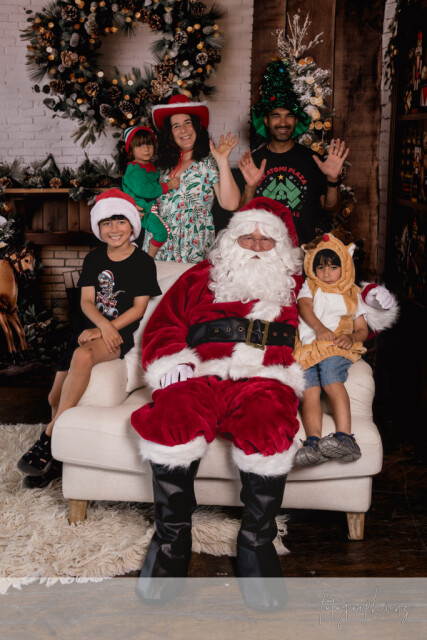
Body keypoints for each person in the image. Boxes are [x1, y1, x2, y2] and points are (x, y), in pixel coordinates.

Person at [131, 196, 304, 610]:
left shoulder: (299, 284)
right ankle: (171, 541)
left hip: (265, 380)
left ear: (281, 247)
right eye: (248, 237)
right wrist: (173, 363)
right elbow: (163, 324)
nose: (257, 246)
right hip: (203, 374)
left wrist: (372, 308)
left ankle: (256, 544)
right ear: (231, 239)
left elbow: (345, 311)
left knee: (269, 423)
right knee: (171, 417)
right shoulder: (199, 277)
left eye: (266, 240)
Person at [17, 188, 161, 487]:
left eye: (120, 221)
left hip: (118, 336)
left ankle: (47, 437)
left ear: (132, 225)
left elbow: (137, 309)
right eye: (107, 223)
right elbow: (85, 302)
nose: (114, 229)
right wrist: (99, 326)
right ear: (98, 227)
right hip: (85, 330)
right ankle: (57, 460)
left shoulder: (143, 263)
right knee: (53, 398)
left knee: (83, 357)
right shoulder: (95, 259)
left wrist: (107, 330)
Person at [237, 58, 349, 245]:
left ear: (296, 120)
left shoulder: (314, 160)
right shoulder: (252, 161)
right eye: (276, 116)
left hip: (302, 250)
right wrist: (250, 187)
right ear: (266, 121)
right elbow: (241, 215)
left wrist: (332, 179)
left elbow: (331, 210)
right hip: (263, 251)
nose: (283, 123)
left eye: (289, 115)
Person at [293, 230, 370, 465]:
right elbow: (304, 307)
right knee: (309, 391)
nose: (326, 274)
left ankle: (346, 438)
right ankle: (313, 442)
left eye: (333, 267)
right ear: (312, 268)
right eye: (320, 268)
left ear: (345, 266)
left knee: (330, 377)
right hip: (308, 349)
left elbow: (362, 330)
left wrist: (351, 337)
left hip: (335, 346)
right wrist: (319, 329)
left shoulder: (352, 293)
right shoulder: (310, 286)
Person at [142, 94, 241, 263]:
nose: (183, 130)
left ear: (197, 126)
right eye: (176, 126)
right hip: (158, 247)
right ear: (169, 133)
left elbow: (231, 204)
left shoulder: (208, 162)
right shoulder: (160, 167)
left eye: (187, 123)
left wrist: (222, 160)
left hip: (193, 247)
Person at [122, 125, 179, 258]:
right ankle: (149, 257)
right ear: (131, 150)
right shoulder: (134, 170)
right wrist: (167, 186)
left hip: (149, 206)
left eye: (149, 144)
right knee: (162, 232)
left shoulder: (148, 165)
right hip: (143, 210)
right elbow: (144, 190)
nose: (146, 149)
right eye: (140, 145)